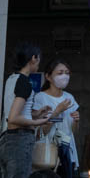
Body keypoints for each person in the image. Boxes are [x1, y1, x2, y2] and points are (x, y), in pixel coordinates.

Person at [1, 43, 54, 177]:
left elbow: (14, 112)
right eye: (38, 59)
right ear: (33, 58)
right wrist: (39, 122)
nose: (38, 64)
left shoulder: (11, 79)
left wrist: (37, 114)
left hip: (7, 139)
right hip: (19, 140)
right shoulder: (24, 82)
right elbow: (13, 118)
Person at [35, 59, 80, 178]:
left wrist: (76, 121)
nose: (64, 76)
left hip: (67, 154)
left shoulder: (69, 97)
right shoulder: (40, 98)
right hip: (47, 154)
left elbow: (73, 131)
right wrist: (57, 111)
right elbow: (41, 132)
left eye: (67, 73)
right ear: (48, 77)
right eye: (60, 73)